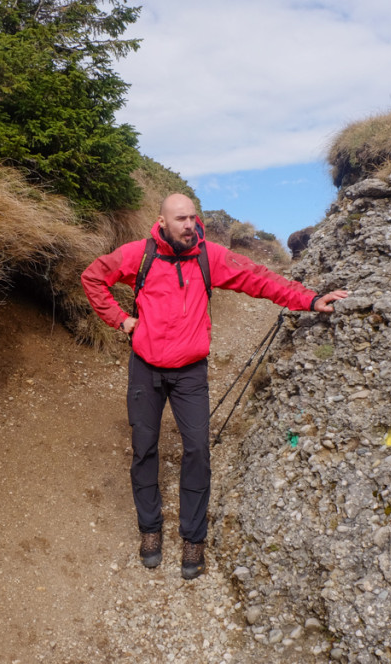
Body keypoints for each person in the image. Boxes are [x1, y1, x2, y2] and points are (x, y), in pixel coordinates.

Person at [81, 193, 348, 580]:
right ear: (162, 222)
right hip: (145, 369)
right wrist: (122, 321)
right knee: (144, 450)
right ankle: (150, 530)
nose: (190, 226)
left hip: (190, 372)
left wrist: (310, 299)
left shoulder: (210, 256)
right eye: (181, 219)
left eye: (193, 218)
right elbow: (93, 277)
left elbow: (259, 278)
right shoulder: (139, 255)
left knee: (198, 451)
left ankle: (193, 537)